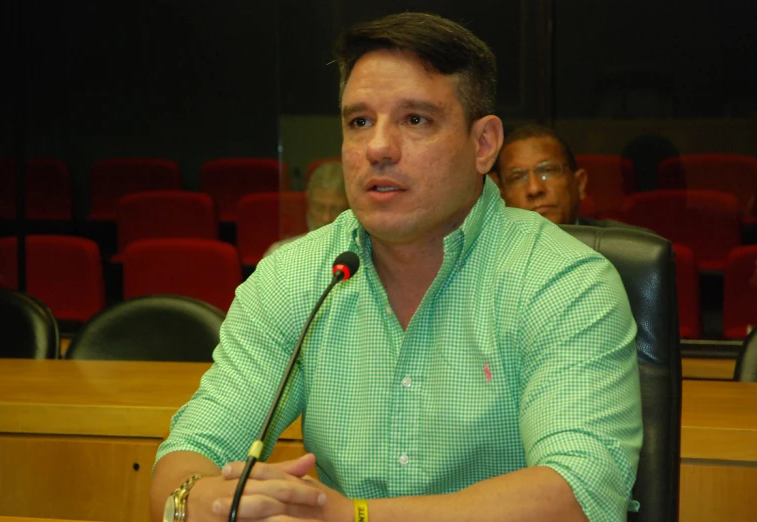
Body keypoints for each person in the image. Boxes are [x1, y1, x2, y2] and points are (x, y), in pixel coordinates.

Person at [152, 12, 642, 522]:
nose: (378, 148)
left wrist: (355, 518)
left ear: (483, 145)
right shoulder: (296, 278)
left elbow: (579, 494)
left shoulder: (564, 281)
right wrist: (199, 501)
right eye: (359, 122)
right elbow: (188, 453)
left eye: (415, 120)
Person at [493, 124, 648, 230]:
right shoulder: (486, 258)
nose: (534, 188)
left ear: (580, 183)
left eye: (548, 170)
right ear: (502, 195)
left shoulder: (634, 249)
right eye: (517, 177)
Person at [264, 161, 349, 257]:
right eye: (318, 208)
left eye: (336, 209)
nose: (326, 218)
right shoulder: (278, 255)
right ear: (309, 206)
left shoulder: (365, 255)